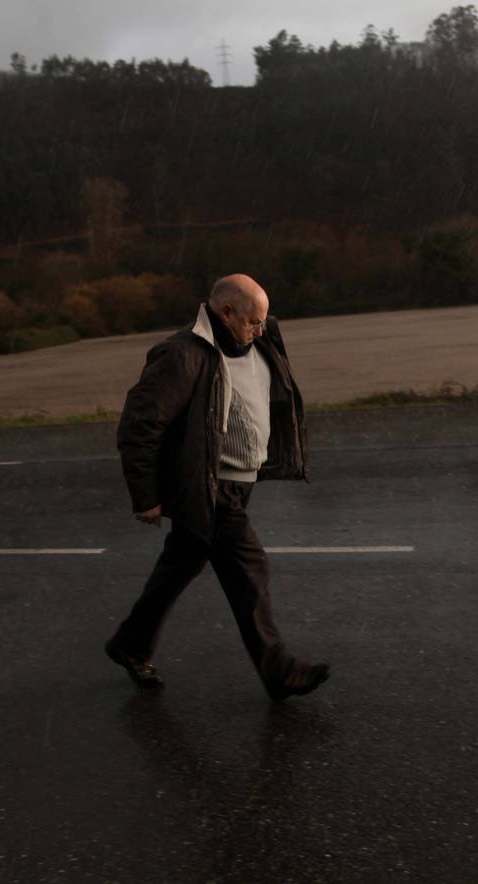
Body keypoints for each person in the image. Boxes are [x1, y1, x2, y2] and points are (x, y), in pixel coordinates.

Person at [105, 274, 330, 701]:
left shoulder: (260, 338)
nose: (260, 329)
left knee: (178, 566)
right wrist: (147, 496)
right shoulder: (182, 355)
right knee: (250, 571)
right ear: (225, 312)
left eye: (264, 321)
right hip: (210, 488)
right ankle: (279, 670)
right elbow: (140, 425)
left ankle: (129, 644)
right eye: (252, 322)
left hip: (241, 483)